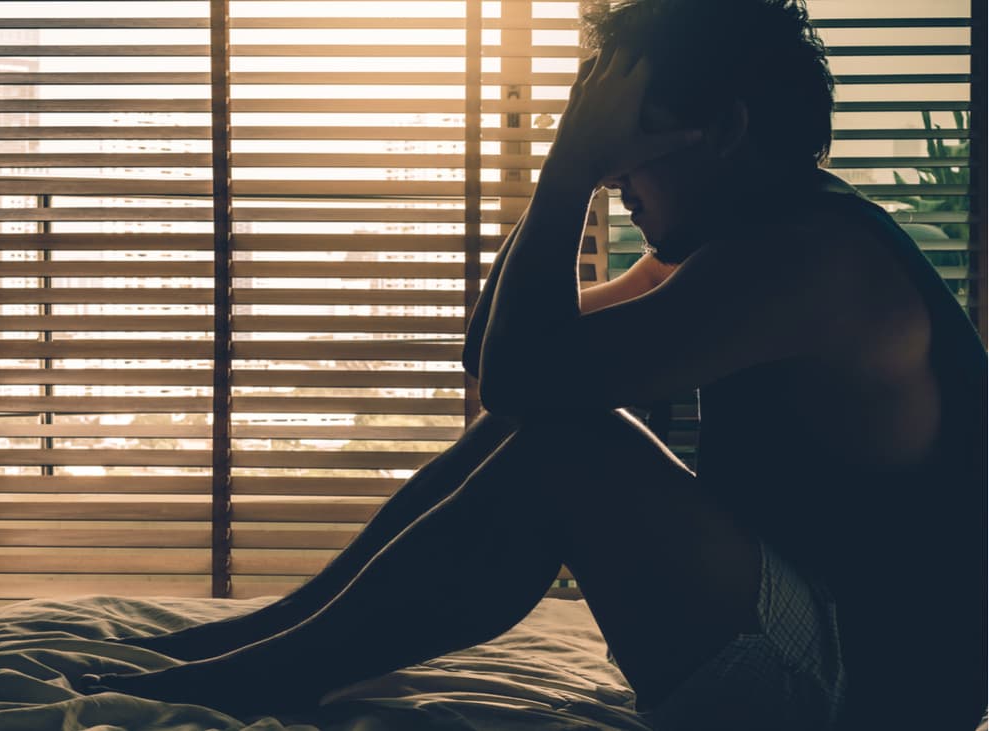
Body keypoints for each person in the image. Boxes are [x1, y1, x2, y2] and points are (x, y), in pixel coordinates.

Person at [79, 1, 988, 728]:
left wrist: (567, 168)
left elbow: (520, 370)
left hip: (865, 694)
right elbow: (500, 358)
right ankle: (274, 636)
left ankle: (268, 672)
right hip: (816, 641)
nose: (617, 179)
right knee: (549, 416)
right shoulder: (730, 245)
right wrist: (571, 166)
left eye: (629, 143)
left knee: (570, 449)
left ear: (724, 129)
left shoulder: (811, 261)